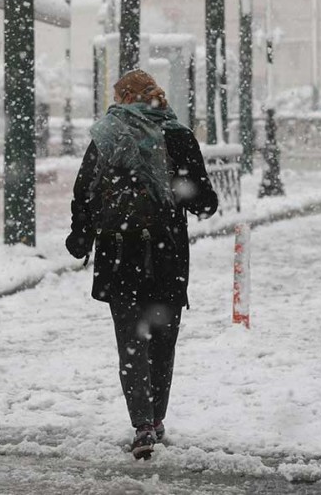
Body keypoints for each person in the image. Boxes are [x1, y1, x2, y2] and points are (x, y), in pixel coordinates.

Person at [66, 69, 219, 460]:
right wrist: (177, 194)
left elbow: (84, 191)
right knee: (162, 342)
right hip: (167, 254)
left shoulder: (108, 134)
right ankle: (157, 419)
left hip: (120, 254)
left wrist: (81, 237)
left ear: (123, 97)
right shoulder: (178, 135)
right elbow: (204, 201)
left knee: (132, 343)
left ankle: (142, 424)